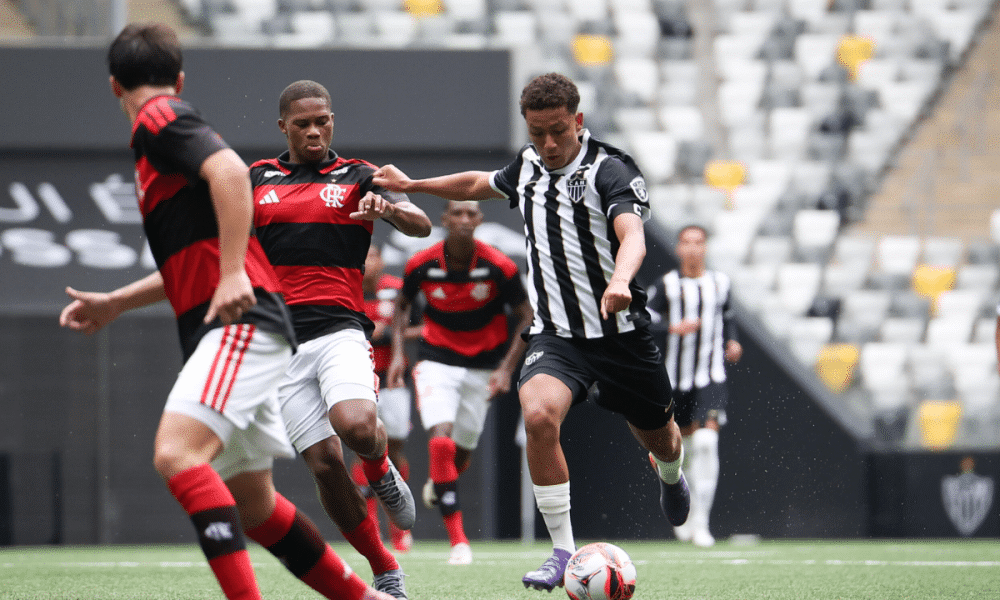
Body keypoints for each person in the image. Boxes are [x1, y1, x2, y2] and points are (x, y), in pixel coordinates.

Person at [61, 23, 395, 600]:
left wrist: (236, 272)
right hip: (248, 326)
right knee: (255, 505)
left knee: (177, 455)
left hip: (243, 325)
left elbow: (230, 172)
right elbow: (196, 260)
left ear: (115, 85)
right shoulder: (163, 144)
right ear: (179, 75)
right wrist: (116, 302)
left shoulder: (158, 118)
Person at [372, 72, 690, 591]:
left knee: (663, 436)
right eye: (537, 132)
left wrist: (620, 280)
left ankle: (672, 475)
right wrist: (413, 186)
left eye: (558, 131)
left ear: (578, 121)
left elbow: (631, 234)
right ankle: (562, 552)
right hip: (557, 335)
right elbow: (478, 183)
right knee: (539, 415)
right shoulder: (528, 166)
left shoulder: (610, 169)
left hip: (620, 333)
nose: (548, 143)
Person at [249, 80, 432, 598]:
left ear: (332, 121)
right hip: (280, 343)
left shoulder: (359, 175)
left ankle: (379, 467)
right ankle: (384, 566)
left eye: (322, 121)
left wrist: (390, 210)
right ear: (283, 126)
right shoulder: (256, 177)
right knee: (326, 466)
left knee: (355, 424)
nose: (314, 131)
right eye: (302, 123)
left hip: (339, 330)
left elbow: (421, 224)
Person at [386, 200, 533, 565]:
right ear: (444, 219)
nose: (464, 219)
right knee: (440, 439)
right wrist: (398, 354)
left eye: (471, 214)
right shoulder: (421, 263)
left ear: (480, 220)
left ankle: (440, 481)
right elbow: (402, 305)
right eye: (457, 213)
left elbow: (526, 316)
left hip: (483, 367)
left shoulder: (499, 265)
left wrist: (506, 369)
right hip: (435, 360)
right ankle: (459, 541)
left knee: (461, 451)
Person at [647, 224, 742, 548]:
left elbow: (728, 316)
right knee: (682, 452)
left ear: (705, 247)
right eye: (686, 242)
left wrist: (732, 342)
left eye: (698, 242)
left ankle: (702, 523)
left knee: (706, 442)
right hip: (675, 380)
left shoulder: (720, 283)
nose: (692, 248)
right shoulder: (667, 285)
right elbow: (643, 318)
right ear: (678, 248)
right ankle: (684, 511)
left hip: (710, 376)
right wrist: (672, 327)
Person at [351, 244, 422, 554]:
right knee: (363, 447)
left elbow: (423, 327)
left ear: (381, 260)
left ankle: (400, 530)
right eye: (363, 256)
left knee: (393, 450)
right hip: (356, 378)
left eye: (373, 256)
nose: (368, 262)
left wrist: (391, 333)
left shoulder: (396, 290)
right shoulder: (346, 290)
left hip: (392, 379)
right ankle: (371, 529)